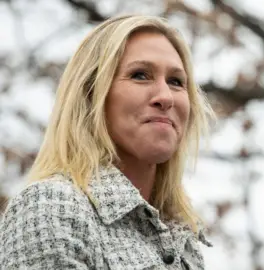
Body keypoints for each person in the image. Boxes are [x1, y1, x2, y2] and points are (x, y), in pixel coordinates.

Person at [0, 14, 215, 269]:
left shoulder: (183, 238)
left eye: (176, 81)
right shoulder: (51, 207)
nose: (165, 96)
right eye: (140, 75)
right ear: (91, 96)